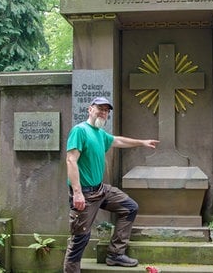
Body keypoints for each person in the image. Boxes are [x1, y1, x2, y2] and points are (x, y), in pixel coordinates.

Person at [63, 96, 159, 272]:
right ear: (90, 109)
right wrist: (77, 192)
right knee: (79, 239)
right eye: (100, 108)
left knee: (129, 207)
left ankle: (115, 254)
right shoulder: (80, 131)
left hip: (100, 190)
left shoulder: (100, 134)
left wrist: (142, 142)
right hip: (84, 194)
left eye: (106, 110)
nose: (104, 113)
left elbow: (118, 141)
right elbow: (71, 160)